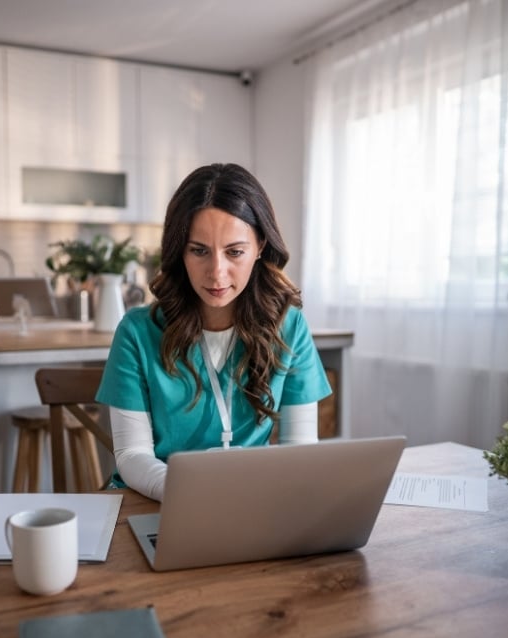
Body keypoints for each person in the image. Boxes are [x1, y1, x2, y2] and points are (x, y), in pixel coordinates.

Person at [95, 163, 332, 501]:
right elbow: (133, 456)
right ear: (180, 250)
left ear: (261, 245)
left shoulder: (289, 328)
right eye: (199, 251)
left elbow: (300, 451)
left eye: (234, 252)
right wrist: (192, 494)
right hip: (156, 503)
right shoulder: (136, 332)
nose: (216, 273)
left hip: (250, 504)